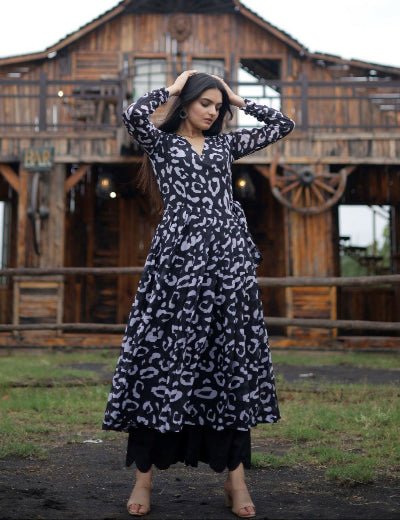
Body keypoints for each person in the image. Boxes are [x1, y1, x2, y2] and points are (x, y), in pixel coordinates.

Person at [102, 70, 295, 518]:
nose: (212, 112)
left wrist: (238, 100)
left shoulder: (226, 146)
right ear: (186, 103)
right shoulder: (163, 145)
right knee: (164, 355)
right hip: (177, 262)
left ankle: (236, 481)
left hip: (227, 261)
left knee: (227, 358)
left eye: (217, 107)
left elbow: (282, 125)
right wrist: (171, 89)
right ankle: (143, 479)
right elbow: (133, 115)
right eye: (205, 103)